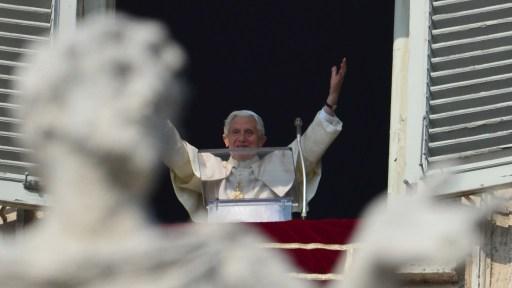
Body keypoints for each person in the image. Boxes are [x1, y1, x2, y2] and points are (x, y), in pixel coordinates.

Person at [164, 58, 347, 221]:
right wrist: (153, 117)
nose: (242, 138)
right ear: (225, 140)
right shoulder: (210, 168)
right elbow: (178, 153)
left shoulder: (280, 165)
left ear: (262, 140)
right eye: (235, 132)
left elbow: (308, 149)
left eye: (249, 132)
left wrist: (330, 104)